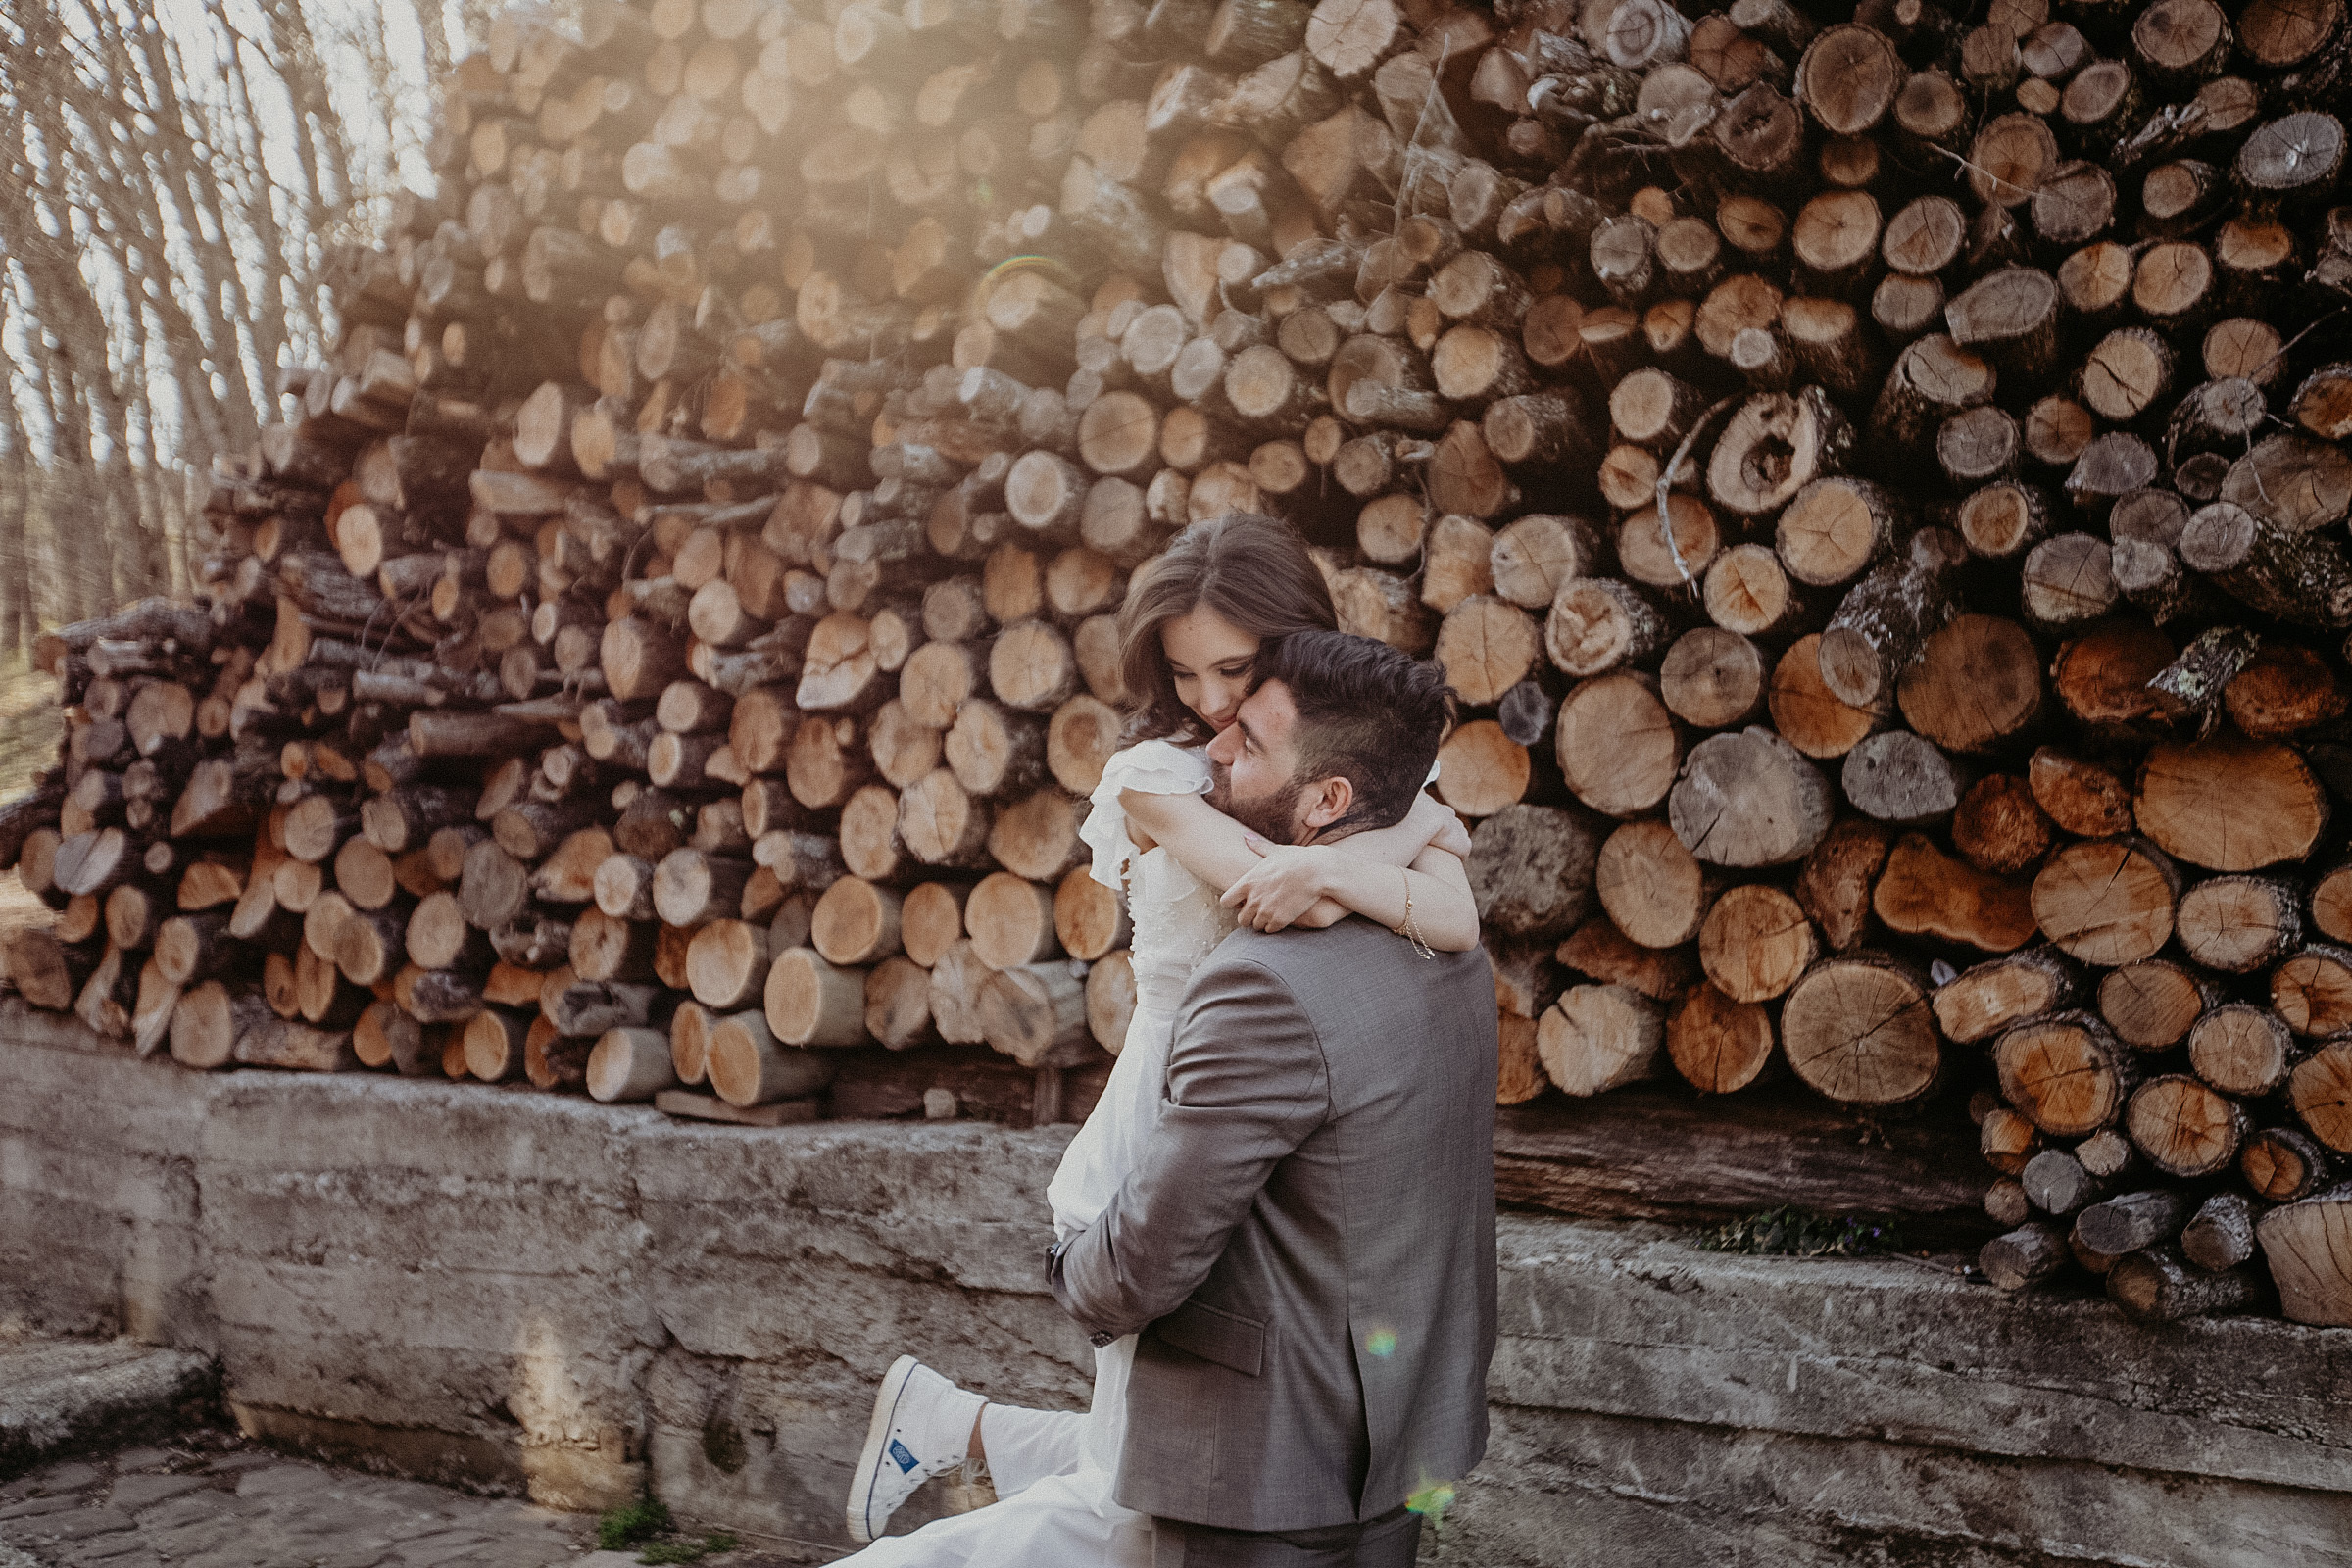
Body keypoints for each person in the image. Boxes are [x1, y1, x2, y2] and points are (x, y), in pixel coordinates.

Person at [838, 514, 1480, 1563]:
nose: (1213, 702)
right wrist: (1394, 837)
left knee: (1144, 1463)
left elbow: (1455, 917)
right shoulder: (1158, 775)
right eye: (1186, 675)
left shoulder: (1322, 744)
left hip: (1264, 1119)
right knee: (1135, 1502)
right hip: (1173, 1117)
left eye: (1236, 666)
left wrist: (1349, 853)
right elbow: (1278, 897)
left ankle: (949, 1428)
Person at [1053, 628, 1499, 1567]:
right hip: (1404, 1430)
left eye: (1249, 741)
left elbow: (1147, 1259)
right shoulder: (1454, 956)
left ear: (1329, 799)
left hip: (1260, 1472)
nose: (1211, 744)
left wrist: (1066, 1272)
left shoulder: (1260, 982)